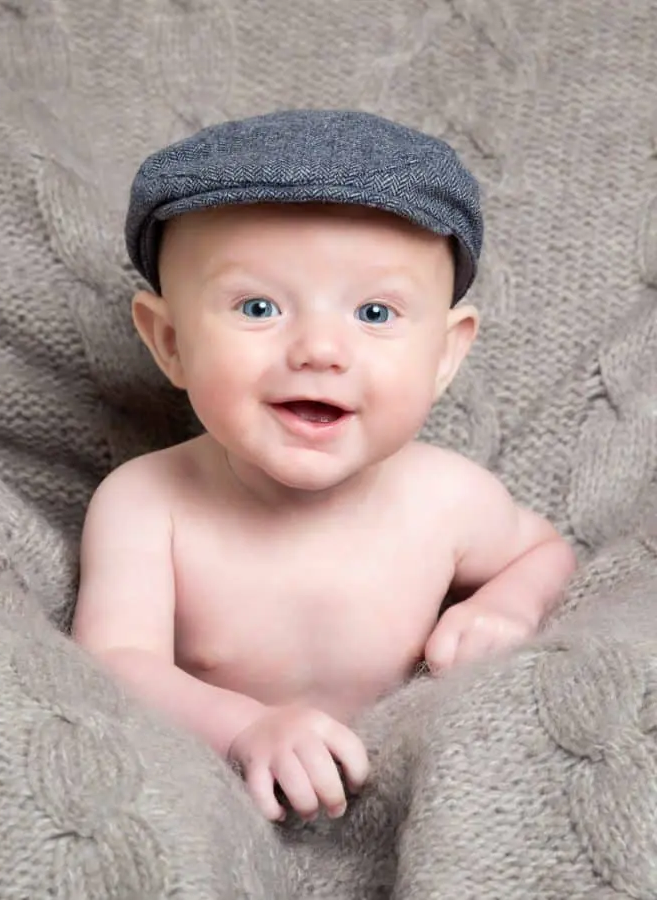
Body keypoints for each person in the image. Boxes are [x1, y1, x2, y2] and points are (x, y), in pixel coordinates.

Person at [72, 110, 576, 823]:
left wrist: (506, 606)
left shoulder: (448, 498)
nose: (319, 350)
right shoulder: (147, 504)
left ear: (444, 355)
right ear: (170, 342)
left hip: (398, 789)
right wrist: (245, 728)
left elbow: (544, 550)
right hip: (210, 794)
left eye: (374, 313)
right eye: (258, 306)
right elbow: (116, 661)